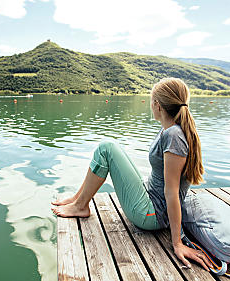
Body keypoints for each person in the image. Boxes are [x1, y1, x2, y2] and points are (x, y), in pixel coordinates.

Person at [51, 78, 209, 271]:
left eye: (152, 102)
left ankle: (81, 206)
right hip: (150, 199)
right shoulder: (170, 129)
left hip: (152, 214)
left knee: (106, 148)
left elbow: (172, 192)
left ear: (157, 105)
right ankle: (78, 199)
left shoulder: (173, 136)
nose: (151, 106)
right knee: (112, 147)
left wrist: (177, 243)